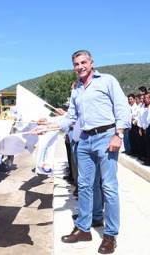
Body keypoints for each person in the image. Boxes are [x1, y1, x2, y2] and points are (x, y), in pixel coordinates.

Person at [42, 50, 130, 254]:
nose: (79, 66)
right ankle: (84, 228)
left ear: (91, 63)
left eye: (83, 62)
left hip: (106, 137)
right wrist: (49, 125)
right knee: (84, 184)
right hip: (84, 141)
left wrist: (119, 134)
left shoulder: (107, 81)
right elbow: (71, 117)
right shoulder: (77, 90)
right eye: (76, 63)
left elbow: (122, 107)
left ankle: (110, 235)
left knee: (108, 186)